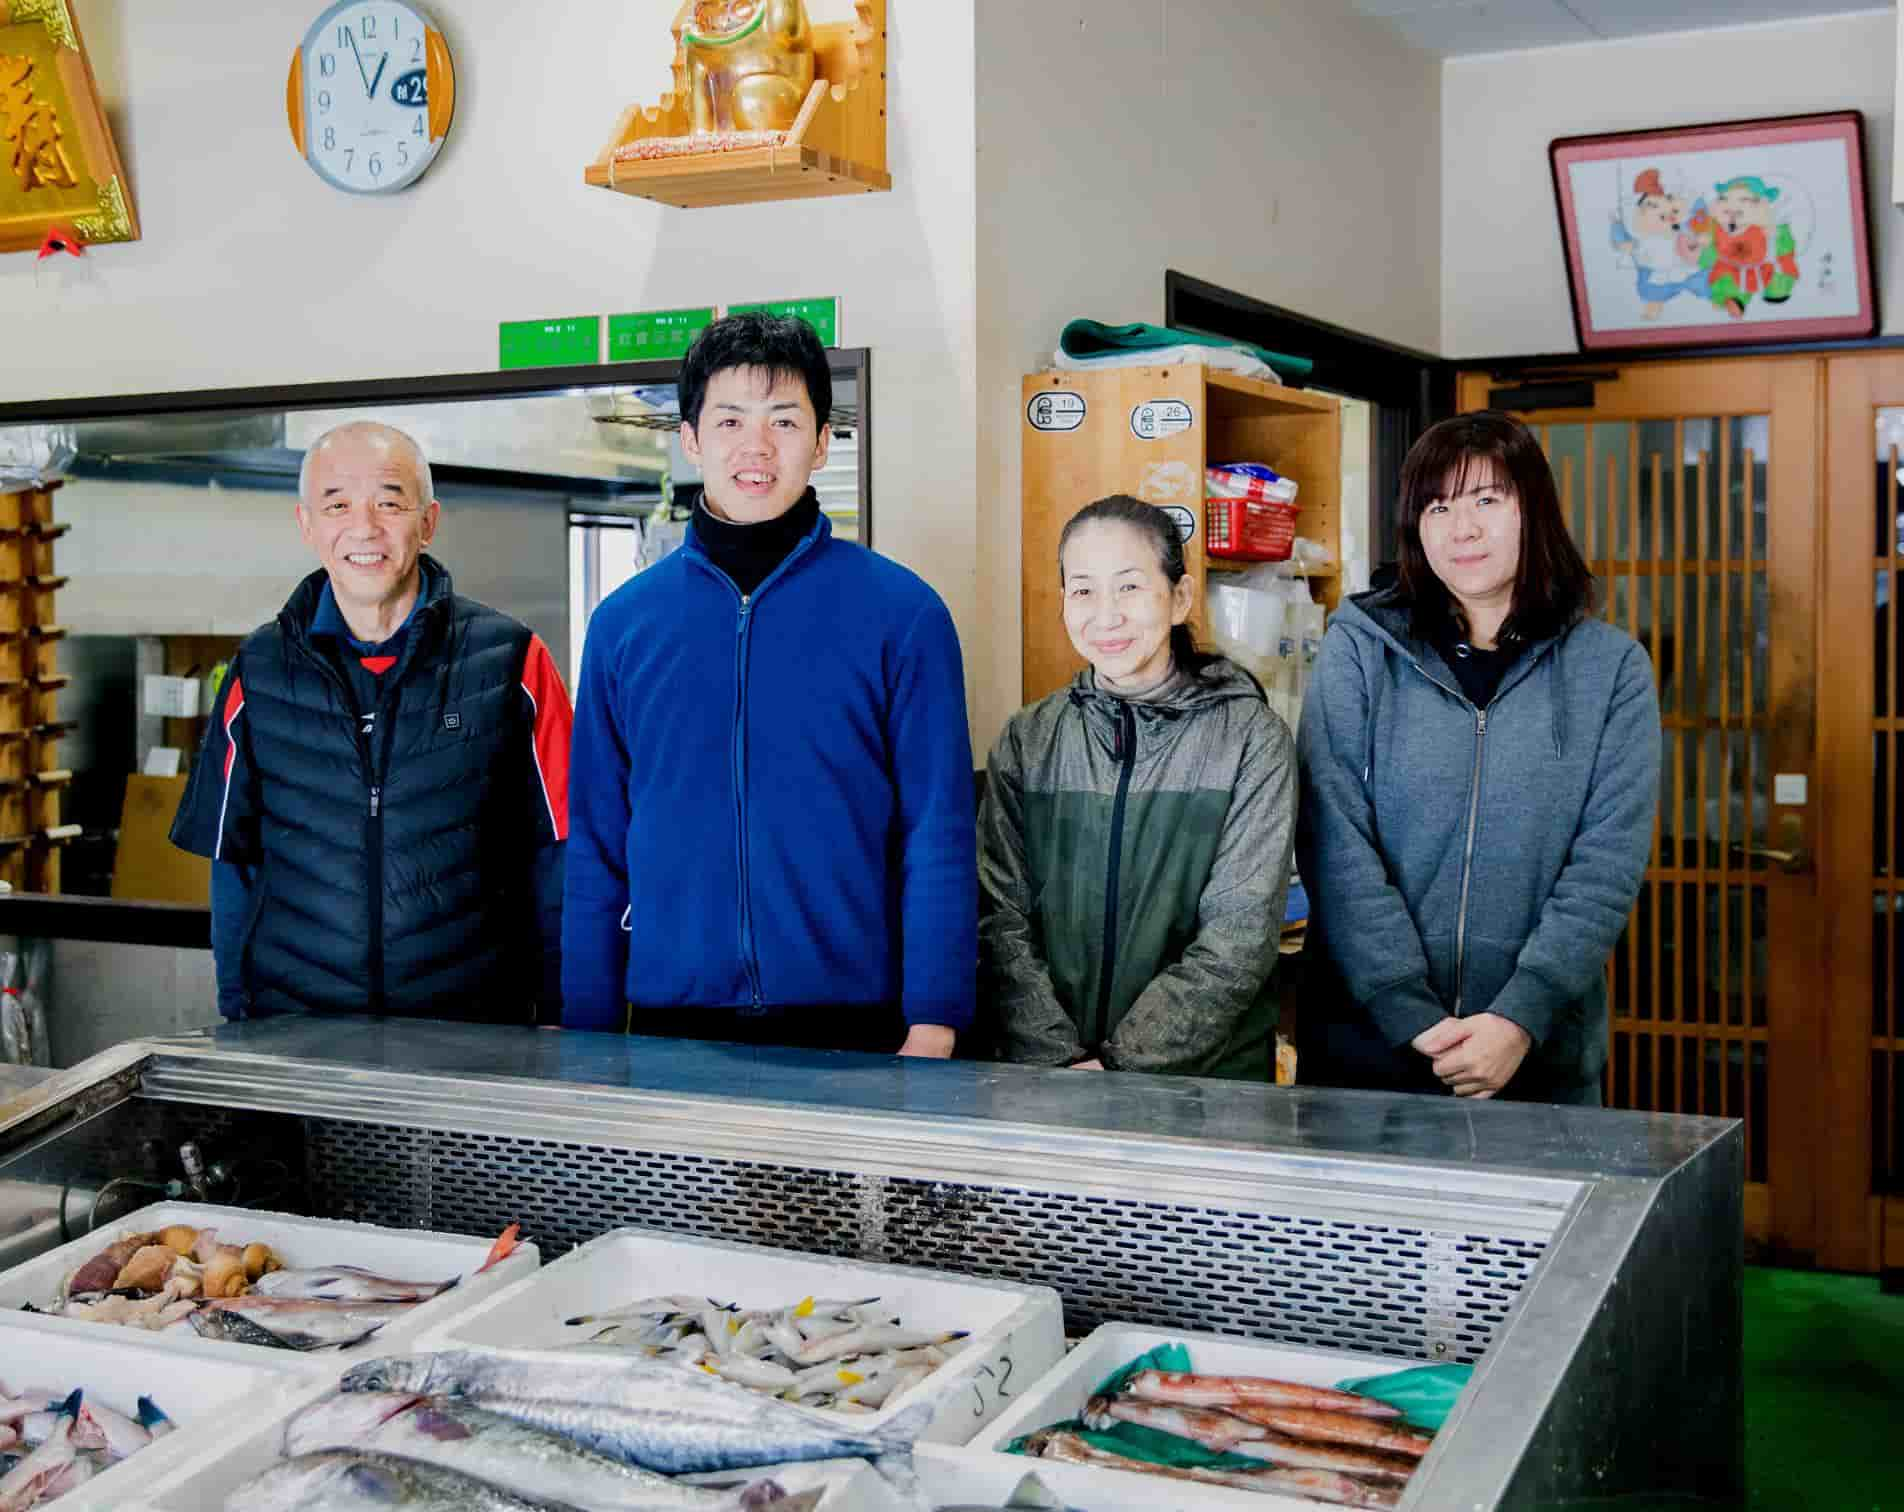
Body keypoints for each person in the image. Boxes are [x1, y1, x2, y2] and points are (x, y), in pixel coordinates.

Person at [562, 312, 975, 1055]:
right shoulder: (624, 625)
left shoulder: (903, 614)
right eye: (729, 420)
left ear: (821, 441)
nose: (755, 447)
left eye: (784, 420)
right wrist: (586, 1027)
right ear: (690, 439)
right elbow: (597, 841)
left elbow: (938, 830)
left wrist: (935, 1020)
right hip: (669, 1027)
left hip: (856, 1024)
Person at [1296, 411, 1660, 1104]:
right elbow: (1331, 834)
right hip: (1364, 1049)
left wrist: (1521, 1017)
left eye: (1486, 500)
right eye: (1437, 506)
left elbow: (1606, 865)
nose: (1461, 529)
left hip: (1535, 1054)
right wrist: (1409, 1010)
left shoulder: (1611, 670)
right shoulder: (1359, 647)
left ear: (1535, 511)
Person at [170, 421, 573, 1023]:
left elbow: (562, 861)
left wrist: (561, 1020)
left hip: (476, 1039)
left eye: (389, 502)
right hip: (299, 1037)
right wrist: (239, 1017)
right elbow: (233, 865)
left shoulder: (514, 661)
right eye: (337, 505)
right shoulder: (258, 672)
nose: (364, 528)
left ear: (428, 521)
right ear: (307, 526)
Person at [979, 495, 1295, 1078]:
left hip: (1205, 1091)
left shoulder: (1250, 739)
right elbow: (999, 919)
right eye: (1083, 590)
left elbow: (1238, 937)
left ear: (1179, 597)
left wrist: (1120, 1069)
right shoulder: (1030, 740)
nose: (1106, 615)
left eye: (1129, 587)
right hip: (1049, 1085)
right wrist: (1058, 1059)